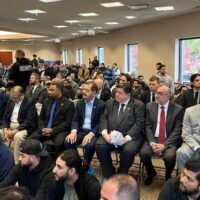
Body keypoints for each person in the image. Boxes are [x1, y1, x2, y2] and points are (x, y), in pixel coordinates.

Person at [95, 83, 145, 179]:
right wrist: (105, 133)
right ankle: (109, 173)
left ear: (128, 94)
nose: (116, 94)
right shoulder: (110, 102)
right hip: (110, 134)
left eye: (120, 93)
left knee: (128, 150)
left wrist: (127, 138)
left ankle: (122, 173)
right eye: (116, 92)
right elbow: (103, 119)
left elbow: (139, 124)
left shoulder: (138, 105)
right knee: (100, 145)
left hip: (130, 136)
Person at [140, 86, 184, 185]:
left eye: (160, 93)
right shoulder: (149, 106)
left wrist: (165, 145)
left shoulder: (178, 109)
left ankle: (168, 174)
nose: (157, 95)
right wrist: (151, 142)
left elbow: (177, 130)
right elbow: (147, 126)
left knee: (170, 156)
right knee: (143, 153)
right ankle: (151, 172)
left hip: (169, 140)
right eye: (156, 93)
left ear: (168, 96)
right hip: (153, 138)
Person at [65, 81, 105, 171]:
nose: (83, 92)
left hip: (94, 131)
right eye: (83, 89)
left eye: (87, 90)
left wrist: (91, 133)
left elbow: (101, 123)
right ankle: (77, 162)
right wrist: (73, 132)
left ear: (94, 93)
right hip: (81, 130)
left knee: (90, 145)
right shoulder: (80, 103)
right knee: (68, 141)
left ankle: (86, 166)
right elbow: (75, 119)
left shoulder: (101, 104)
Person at [29, 82, 74, 155]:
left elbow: (67, 123)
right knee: (30, 140)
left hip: (59, 131)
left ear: (59, 91)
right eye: (48, 90)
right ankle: (36, 160)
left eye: (52, 90)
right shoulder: (46, 102)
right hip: (44, 129)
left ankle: (56, 163)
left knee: (59, 143)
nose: (49, 92)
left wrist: (52, 130)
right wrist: (42, 129)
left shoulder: (68, 104)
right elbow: (41, 118)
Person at [0, 86, 38, 164]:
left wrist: (15, 131)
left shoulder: (30, 102)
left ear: (22, 95)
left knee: (18, 137)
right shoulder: (11, 100)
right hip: (10, 125)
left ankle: (16, 163)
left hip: (23, 127)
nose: (13, 99)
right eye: (12, 97)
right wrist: (5, 128)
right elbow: (5, 117)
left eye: (15, 97)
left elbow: (29, 121)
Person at [176, 104, 200, 172]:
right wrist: (197, 147)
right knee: (181, 152)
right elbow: (186, 134)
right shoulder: (189, 111)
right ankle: (183, 178)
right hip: (193, 142)